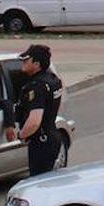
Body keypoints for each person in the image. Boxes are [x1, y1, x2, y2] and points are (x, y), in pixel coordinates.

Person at [8, 44, 64, 176]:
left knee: (39, 182)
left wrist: (21, 135)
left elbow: (34, 121)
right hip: (52, 135)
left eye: (26, 60)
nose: (23, 62)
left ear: (36, 64)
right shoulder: (53, 80)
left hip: (41, 142)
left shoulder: (37, 86)